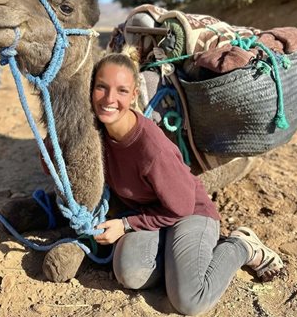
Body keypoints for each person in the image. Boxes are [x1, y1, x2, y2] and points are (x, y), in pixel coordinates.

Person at [90, 46, 284, 316]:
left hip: (188, 211)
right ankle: (179, 260)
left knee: (189, 300)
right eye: (101, 87)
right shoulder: (95, 133)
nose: (110, 98)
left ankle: (241, 245)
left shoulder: (151, 148)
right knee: (131, 274)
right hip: (153, 214)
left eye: (121, 90)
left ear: (133, 95)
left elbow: (180, 207)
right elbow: (55, 161)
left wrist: (125, 224)